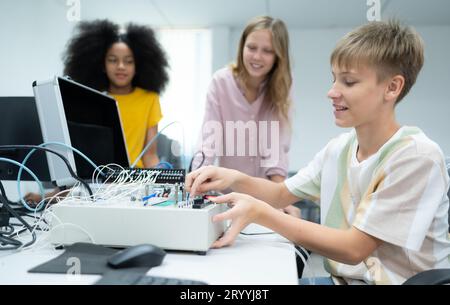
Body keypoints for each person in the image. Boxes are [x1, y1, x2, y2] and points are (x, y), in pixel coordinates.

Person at [186, 20, 450, 285]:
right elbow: (280, 194)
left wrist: (261, 213)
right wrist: (231, 177)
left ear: (392, 87)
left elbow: (353, 248)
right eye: (334, 79)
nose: (332, 92)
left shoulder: (416, 157)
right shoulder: (339, 149)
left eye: (348, 81)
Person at [25, 19, 169, 204]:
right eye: (113, 60)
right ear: (101, 64)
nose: (121, 66)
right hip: (97, 183)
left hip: (132, 183)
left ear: (138, 66)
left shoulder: (149, 99)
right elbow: (79, 158)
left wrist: (164, 185)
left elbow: (150, 155)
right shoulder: (92, 99)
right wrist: (55, 193)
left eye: (128, 61)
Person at [191, 16, 300, 217]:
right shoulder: (221, 82)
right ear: (242, 47)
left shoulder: (283, 85)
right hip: (225, 195)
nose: (257, 57)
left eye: (267, 51)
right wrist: (197, 177)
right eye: (252, 47)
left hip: (265, 197)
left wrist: (281, 199)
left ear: (278, 55)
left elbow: (276, 146)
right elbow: (209, 140)